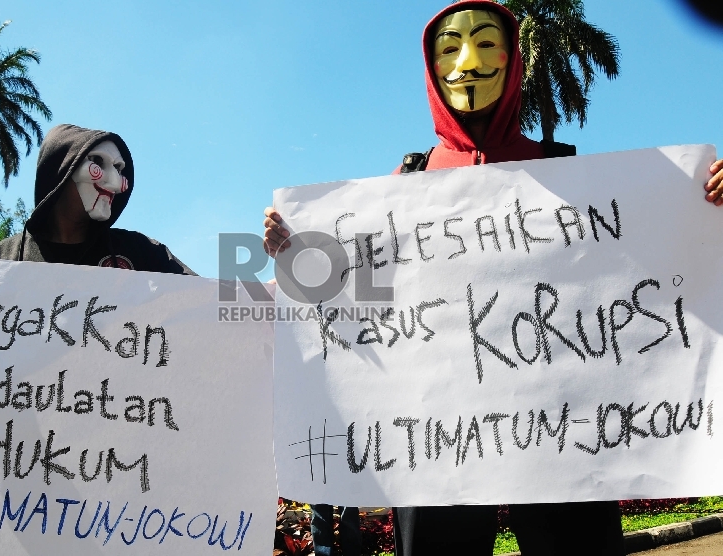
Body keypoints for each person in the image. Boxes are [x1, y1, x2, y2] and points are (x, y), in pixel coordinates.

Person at [263, 1, 723, 554]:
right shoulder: (401, 187)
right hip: (436, 439)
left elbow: (653, 265)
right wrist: (294, 252)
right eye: (449, 48)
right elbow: (354, 297)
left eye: (485, 43)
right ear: (431, 70)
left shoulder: (571, 173)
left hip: (563, 430)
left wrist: (706, 205)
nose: (467, 61)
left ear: (513, 61)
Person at [0, 123, 195, 346]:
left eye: (120, 168)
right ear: (61, 168)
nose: (115, 182)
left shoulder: (143, 253)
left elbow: (209, 308)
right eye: (99, 164)